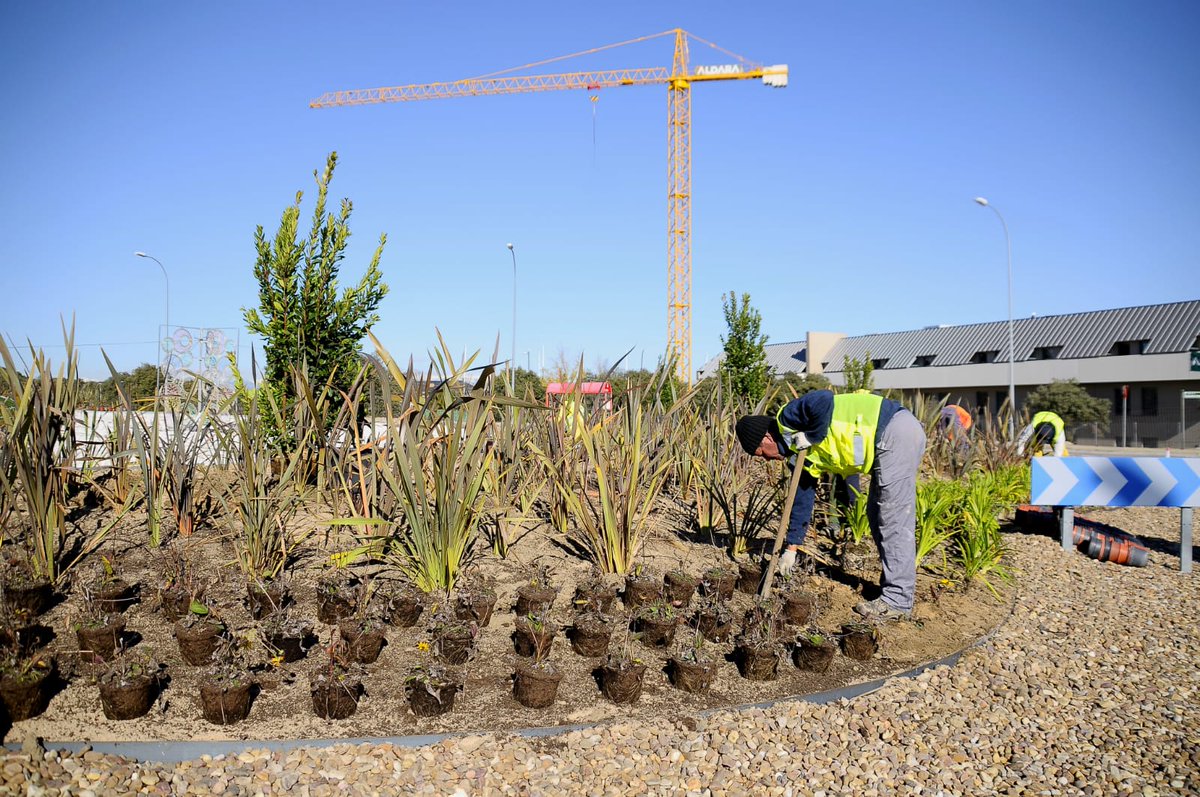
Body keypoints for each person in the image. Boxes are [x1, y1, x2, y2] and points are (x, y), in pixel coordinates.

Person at [735, 389, 927, 622]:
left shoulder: (788, 419)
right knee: (877, 515)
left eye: (761, 453)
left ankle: (897, 600)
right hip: (888, 440)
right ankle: (894, 589)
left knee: (893, 519)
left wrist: (812, 435)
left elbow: (823, 399)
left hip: (894, 430)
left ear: (766, 438)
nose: (766, 459)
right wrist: (791, 549)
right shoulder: (797, 454)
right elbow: (801, 498)